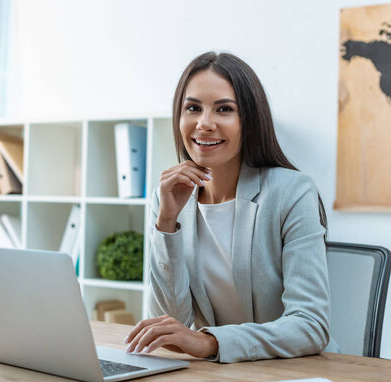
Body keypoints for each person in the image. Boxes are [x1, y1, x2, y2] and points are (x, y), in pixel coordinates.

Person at [124, 52, 337, 363]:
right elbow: (166, 328)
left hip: (293, 375)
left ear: (249, 121)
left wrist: (210, 343)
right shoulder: (167, 197)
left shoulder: (291, 191)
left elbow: (310, 326)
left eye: (224, 109)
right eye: (193, 108)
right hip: (218, 379)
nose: (204, 123)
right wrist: (166, 223)